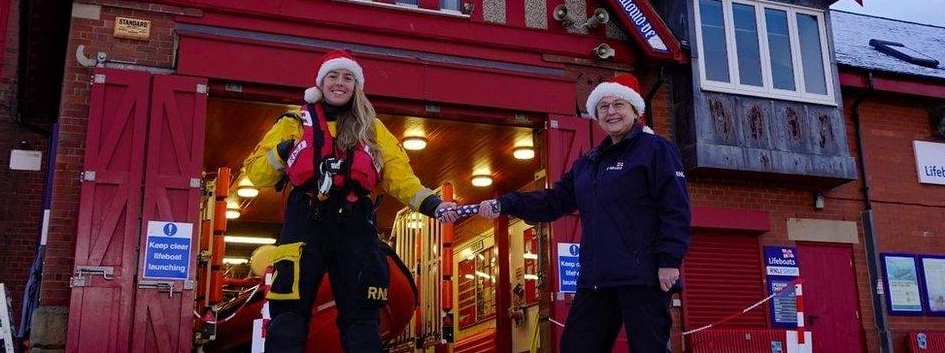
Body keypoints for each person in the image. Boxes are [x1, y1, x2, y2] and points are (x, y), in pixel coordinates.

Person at [243, 49, 458, 352]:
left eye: (348, 78)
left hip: (355, 223)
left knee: (362, 321)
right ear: (320, 83)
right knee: (288, 318)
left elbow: (400, 177)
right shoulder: (292, 124)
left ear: (356, 86)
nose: (340, 83)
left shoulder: (372, 130)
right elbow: (256, 174)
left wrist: (434, 205)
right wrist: (282, 151)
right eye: (333, 76)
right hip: (305, 222)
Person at [479, 74, 691, 353]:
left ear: (635, 110)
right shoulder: (588, 163)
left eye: (618, 104)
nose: (611, 112)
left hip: (644, 275)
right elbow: (555, 201)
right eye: (603, 107)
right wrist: (506, 203)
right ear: (595, 114)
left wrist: (669, 260)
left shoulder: (656, 150)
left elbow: (675, 208)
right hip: (596, 277)